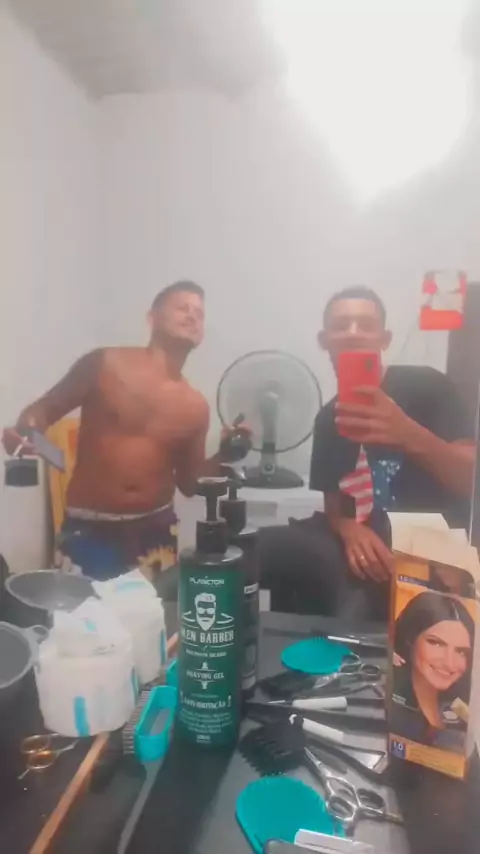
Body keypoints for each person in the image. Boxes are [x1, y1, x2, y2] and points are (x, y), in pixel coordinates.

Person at [258, 286, 475, 619]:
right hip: (368, 553)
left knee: (357, 612)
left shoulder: (429, 386)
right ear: (324, 340)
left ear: (384, 339)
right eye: (341, 325)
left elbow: (469, 480)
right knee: (256, 548)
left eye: (365, 325)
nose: (353, 332)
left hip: (433, 552)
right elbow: (335, 507)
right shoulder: (329, 418)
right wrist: (349, 530)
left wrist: (407, 433)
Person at [3, 280, 243, 582]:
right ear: (152, 318)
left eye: (200, 313)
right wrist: (33, 440)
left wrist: (226, 453)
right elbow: (39, 414)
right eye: (183, 308)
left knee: (151, 612)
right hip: (90, 529)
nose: (193, 316)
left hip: (156, 530)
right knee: (83, 611)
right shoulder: (105, 364)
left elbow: (189, 483)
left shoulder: (196, 406)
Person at [391, 591, 474, 751]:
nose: (449, 663)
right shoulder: (393, 707)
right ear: (410, 639)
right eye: (436, 643)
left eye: (461, 651)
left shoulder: (463, 710)